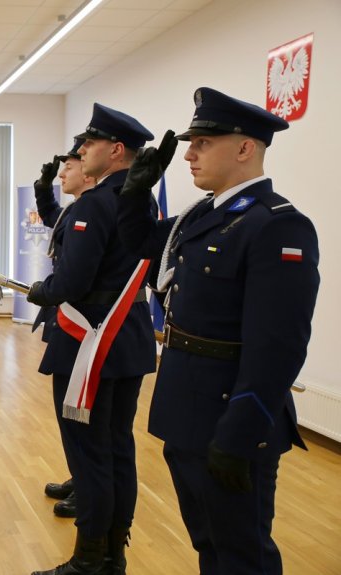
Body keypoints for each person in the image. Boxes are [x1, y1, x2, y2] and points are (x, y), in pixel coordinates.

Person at [117, 87, 320, 575]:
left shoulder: (276, 226)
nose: (189, 153)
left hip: (232, 418)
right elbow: (142, 249)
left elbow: (279, 346)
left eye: (203, 142)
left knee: (242, 551)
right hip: (187, 408)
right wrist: (135, 193)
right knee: (210, 541)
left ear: (245, 148)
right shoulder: (202, 216)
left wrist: (240, 433)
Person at [26, 104, 158, 575]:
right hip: (129, 339)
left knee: (89, 456)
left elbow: (73, 281)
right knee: (118, 450)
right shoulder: (141, 200)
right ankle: (113, 555)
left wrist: (42, 291)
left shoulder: (97, 203)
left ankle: (88, 561)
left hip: (90, 344)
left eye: (88, 145)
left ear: (115, 150)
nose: (80, 152)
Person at [32, 138, 98, 520]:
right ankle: (80, 475)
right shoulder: (76, 210)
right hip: (67, 319)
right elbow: (52, 218)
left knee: (79, 413)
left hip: (83, 324)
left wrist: (49, 292)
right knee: (68, 412)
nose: (61, 174)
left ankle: (87, 484)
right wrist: (42, 190)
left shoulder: (95, 209)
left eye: (68, 167)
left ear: (86, 173)